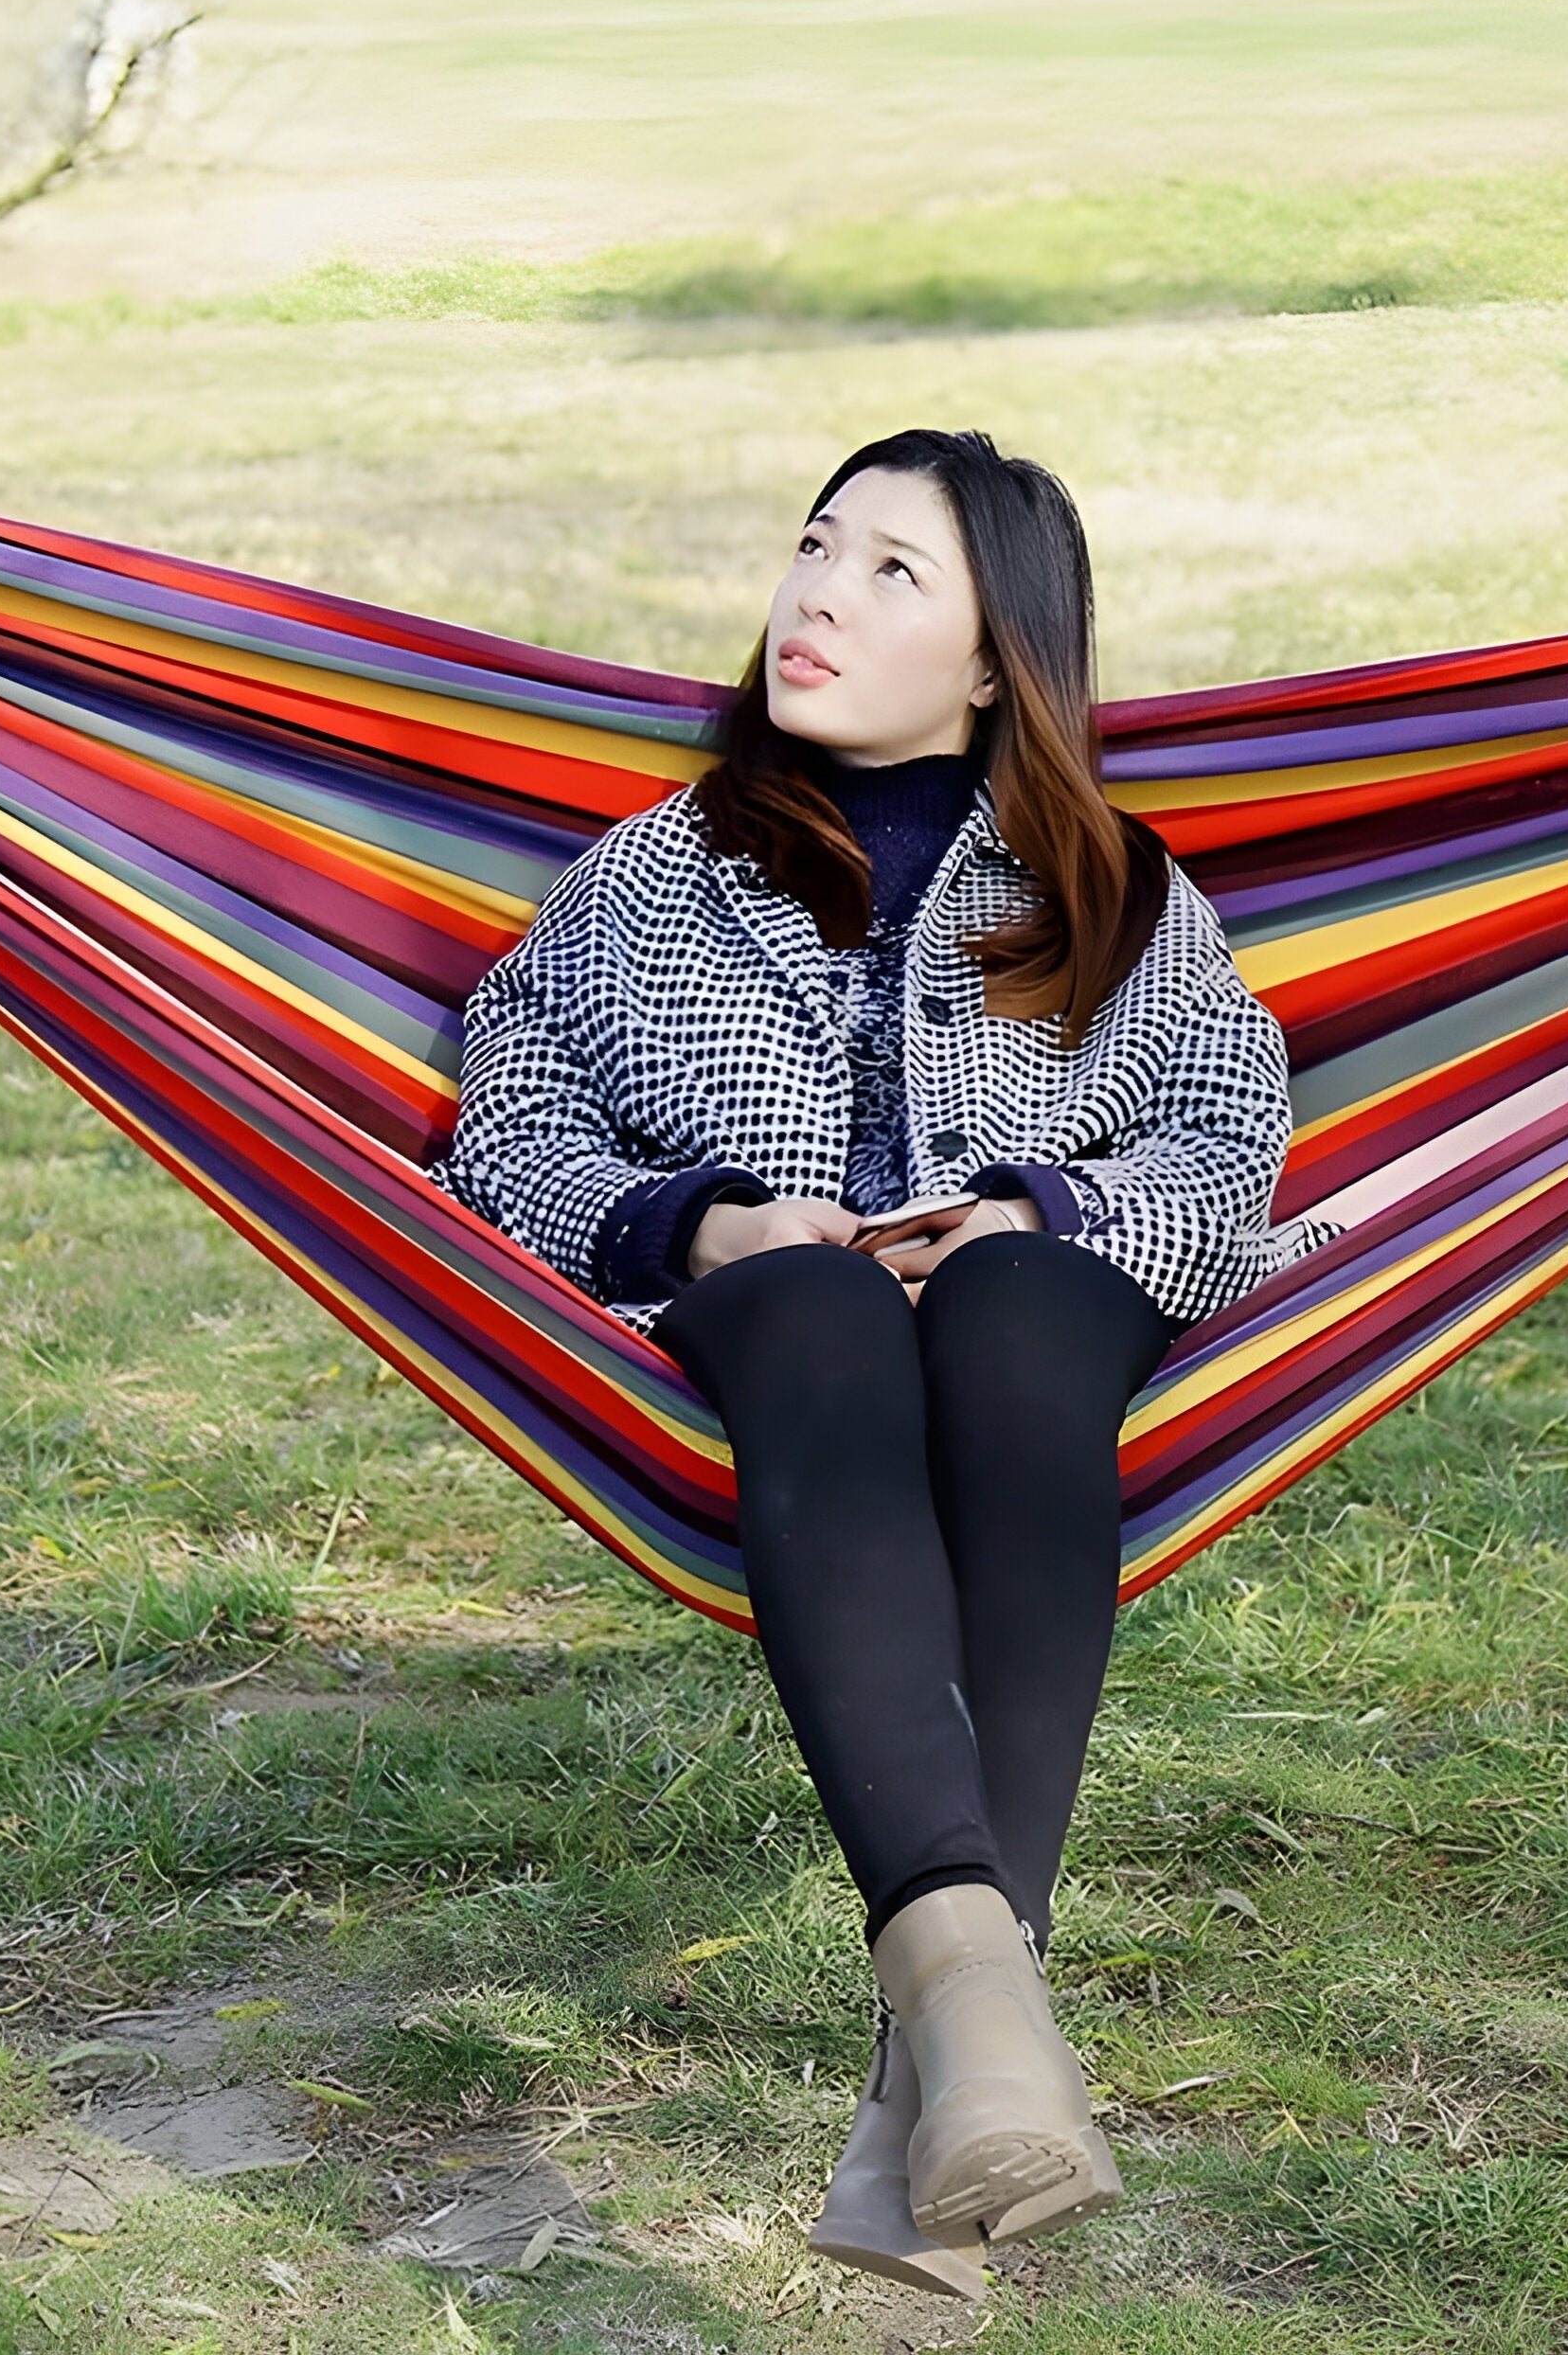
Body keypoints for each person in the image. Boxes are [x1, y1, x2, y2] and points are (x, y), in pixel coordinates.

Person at [446, 428, 1323, 2302]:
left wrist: (1027, 1206)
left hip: (1049, 1299)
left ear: (1003, 659)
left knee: (1005, 1318)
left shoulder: (1115, 893)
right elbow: (509, 1115)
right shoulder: (644, 879)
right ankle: (970, 2037)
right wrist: (700, 1225)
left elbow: (1225, 1128)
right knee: (832, 1308)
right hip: (776, 1334)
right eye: (811, 548)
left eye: (892, 573)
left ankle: (928, 2085)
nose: (818, 594)